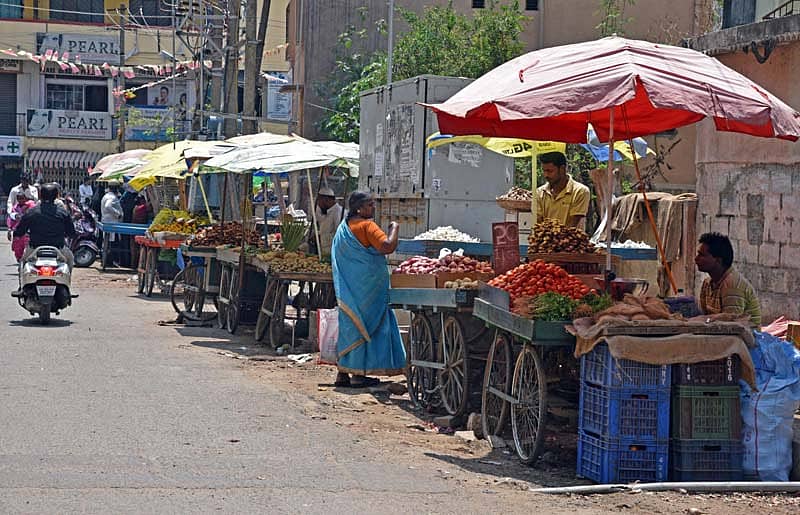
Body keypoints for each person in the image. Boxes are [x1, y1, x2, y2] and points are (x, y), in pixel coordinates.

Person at [331, 191, 406, 388]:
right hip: (369, 289)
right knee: (368, 326)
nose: (373, 208)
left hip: (351, 289)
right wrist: (395, 228)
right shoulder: (366, 225)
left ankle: (344, 372)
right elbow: (387, 246)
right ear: (359, 208)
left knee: (351, 326)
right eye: (370, 205)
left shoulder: (344, 228)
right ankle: (358, 374)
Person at [695, 232, 761, 327]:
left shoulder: (732, 286)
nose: (696, 259)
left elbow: (730, 327)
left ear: (718, 260)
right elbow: (705, 318)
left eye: (701, 255)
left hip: (744, 338)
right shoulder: (707, 284)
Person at [13, 183, 76, 274]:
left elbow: (20, 231)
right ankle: (67, 283)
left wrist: (16, 234)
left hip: (34, 248)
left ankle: (21, 285)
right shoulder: (63, 213)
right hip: (59, 248)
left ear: (40, 195)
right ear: (56, 196)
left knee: (23, 262)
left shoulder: (31, 212)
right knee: (70, 259)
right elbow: (71, 232)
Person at [536, 151, 590, 228]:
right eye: (544, 171)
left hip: (570, 239)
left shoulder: (580, 191)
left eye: (550, 171)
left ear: (562, 169)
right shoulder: (539, 193)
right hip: (546, 238)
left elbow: (573, 224)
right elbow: (538, 222)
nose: (546, 175)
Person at [310, 187, 343, 257]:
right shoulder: (327, 212)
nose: (318, 205)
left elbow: (339, 235)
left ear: (326, 200)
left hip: (334, 253)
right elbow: (326, 229)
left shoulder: (338, 212)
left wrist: (321, 238)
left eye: (319, 202)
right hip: (325, 252)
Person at [7, 193, 36, 262]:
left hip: (28, 231)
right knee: (17, 249)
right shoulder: (15, 208)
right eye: (19, 199)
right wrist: (9, 229)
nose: (20, 200)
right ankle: (20, 260)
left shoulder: (31, 206)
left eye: (22, 198)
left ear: (25, 199)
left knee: (27, 248)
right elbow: (10, 219)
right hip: (18, 231)